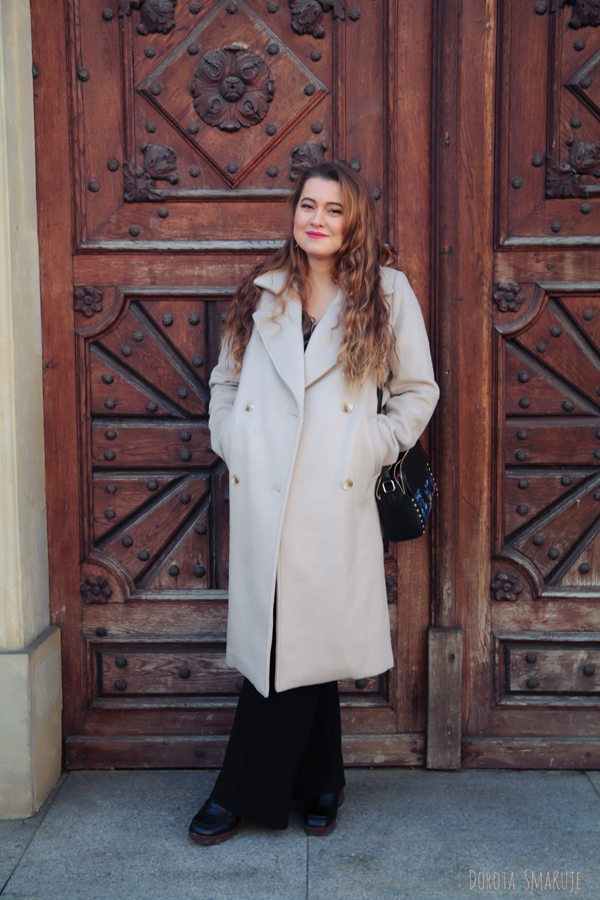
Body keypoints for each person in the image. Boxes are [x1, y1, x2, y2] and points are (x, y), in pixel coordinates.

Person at [188, 161, 439, 844]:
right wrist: (231, 436)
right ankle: (322, 780)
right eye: (307, 205)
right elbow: (225, 380)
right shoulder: (263, 290)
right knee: (297, 639)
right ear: (293, 214)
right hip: (266, 495)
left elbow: (417, 391)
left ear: (353, 220)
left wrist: (370, 444)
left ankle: (242, 792)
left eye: (333, 208)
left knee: (294, 643)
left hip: (335, 496)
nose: (317, 219)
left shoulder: (387, 291)